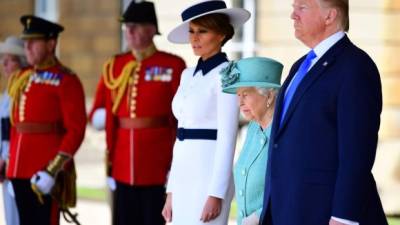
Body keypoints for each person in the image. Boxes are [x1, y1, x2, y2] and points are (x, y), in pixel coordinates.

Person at [259, 0, 388, 225]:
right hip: (286, 210)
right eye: (293, 7)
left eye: (302, 8)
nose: (293, 15)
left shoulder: (355, 67)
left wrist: (344, 217)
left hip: (325, 213)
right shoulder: (300, 66)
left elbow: (357, 153)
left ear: (330, 16)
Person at [89, 1, 186, 225]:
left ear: (151, 29)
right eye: (127, 26)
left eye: (136, 25)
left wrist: (175, 165)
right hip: (122, 164)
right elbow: (97, 111)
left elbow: (181, 119)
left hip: (157, 164)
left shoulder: (172, 65)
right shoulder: (115, 65)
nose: (129, 31)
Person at [161, 1, 250, 224]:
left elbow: (228, 137)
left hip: (207, 174)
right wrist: (171, 191)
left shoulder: (228, 74)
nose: (194, 38)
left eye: (202, 31)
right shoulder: (187, 75)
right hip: (182, 175)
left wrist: (217, 192)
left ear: (221, 35)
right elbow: (180, 136)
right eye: (191, 31)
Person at [7, 15, 87, 225]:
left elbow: (76, 130)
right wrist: (10, 163)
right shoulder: (22, 77)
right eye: (26, 42)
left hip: (44, 171)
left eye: (34, 42)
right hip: (18, 169)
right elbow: (16, 126)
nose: (28, 47)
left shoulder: (66, 79)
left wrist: (53, 170)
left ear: (51, 44)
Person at [221, 57, 283, 225]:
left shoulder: (285, 133)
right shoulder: (253, 128)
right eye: (238, 95)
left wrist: (258, 216)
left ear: (269, 95)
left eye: (246, 94)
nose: (240, 102)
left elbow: (291, 186)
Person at [0, 35, 27, 225]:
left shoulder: (24, 90)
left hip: (18, 163)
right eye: (3, 60)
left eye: (9, 60)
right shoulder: (7, 93)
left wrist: (6, 158)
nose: (4, 64)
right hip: (6, 162)